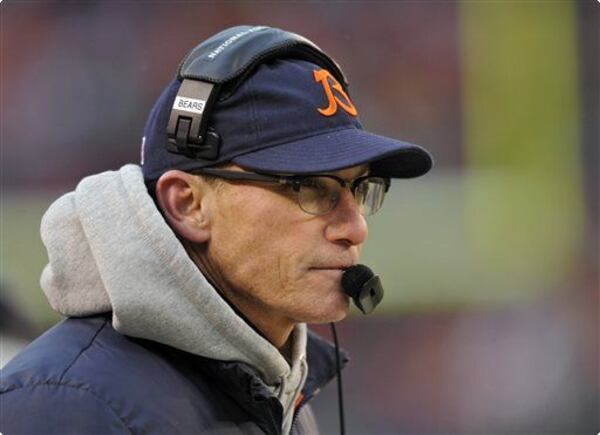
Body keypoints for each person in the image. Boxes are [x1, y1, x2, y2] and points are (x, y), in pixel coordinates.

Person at [0, 26, 432, 434]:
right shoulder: (69, 407)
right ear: (188, 205)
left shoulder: (277, 391)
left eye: (360, 188)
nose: (355, 227)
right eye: (310, 187)